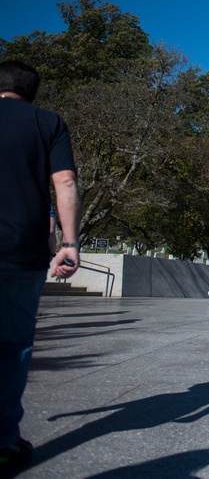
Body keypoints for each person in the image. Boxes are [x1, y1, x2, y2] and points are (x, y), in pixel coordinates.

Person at [0, 61, 81, 472]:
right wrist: (68, 242)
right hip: (18, 247)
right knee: (12, 344)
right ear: (32, 92)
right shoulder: (46, 121)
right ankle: (3, 441)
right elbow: (64, 181)